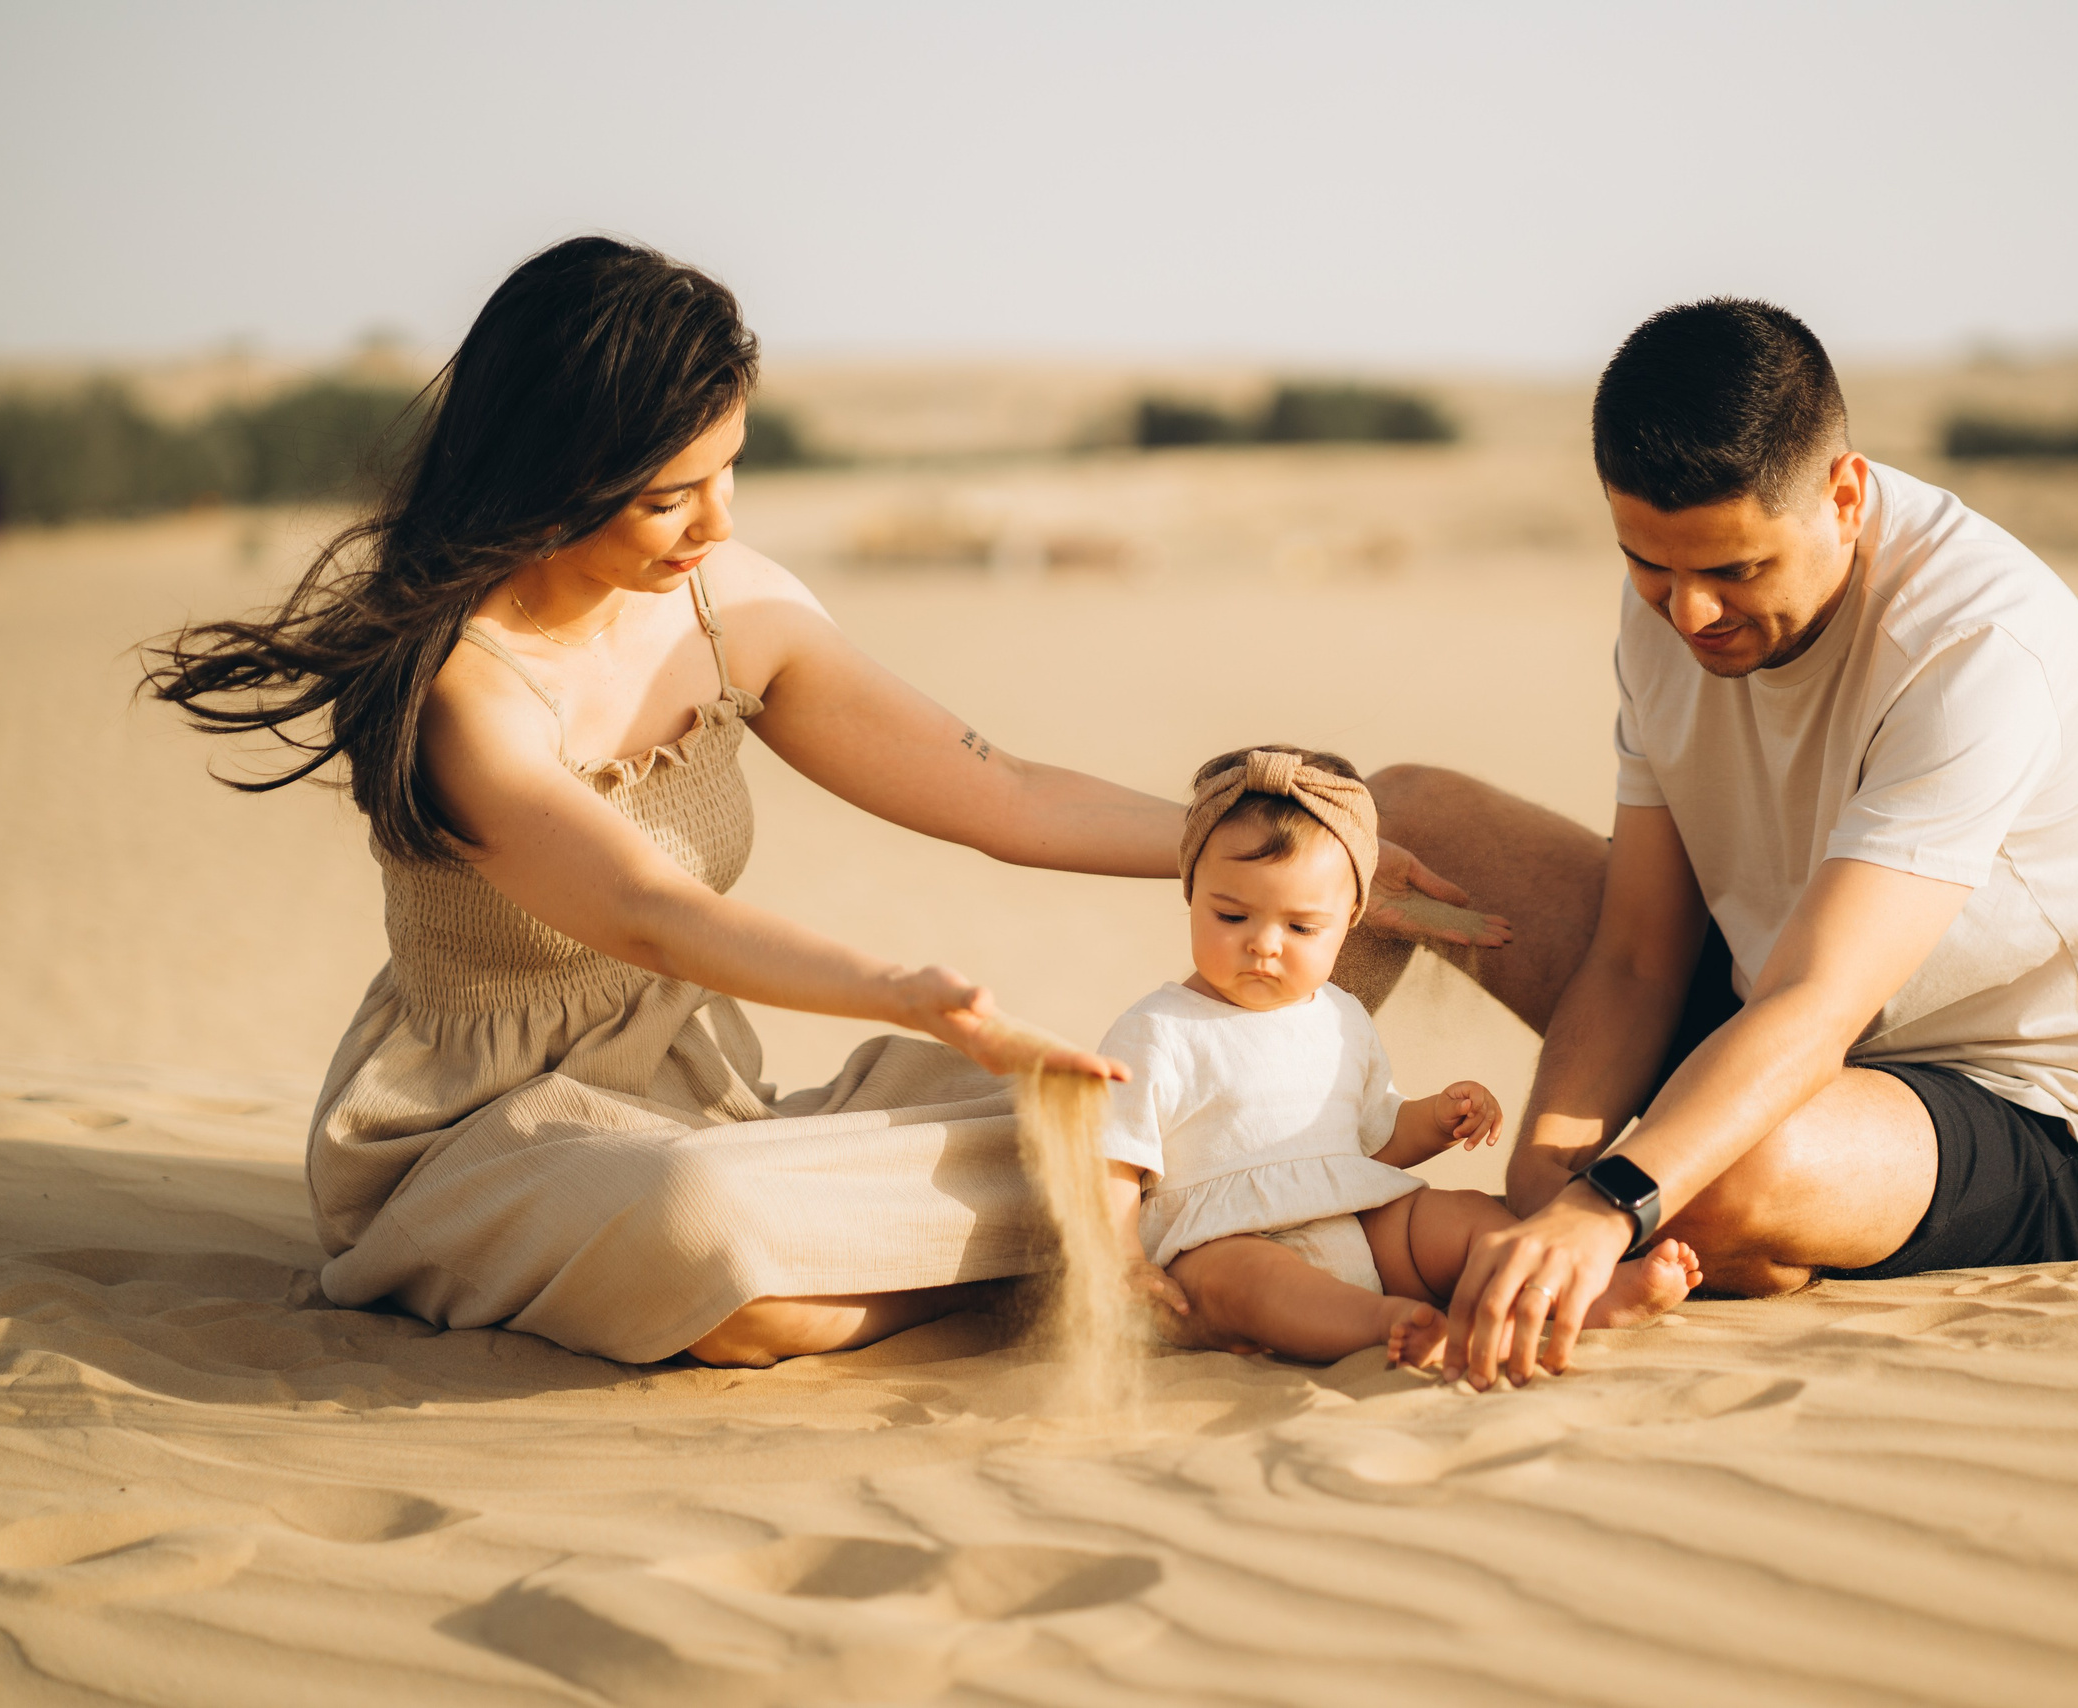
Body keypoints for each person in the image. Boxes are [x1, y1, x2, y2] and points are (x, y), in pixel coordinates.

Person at [143, 237, 1496, 1369]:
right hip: (484, 1134)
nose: (717, 523)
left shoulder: (730, 607)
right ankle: (1063, 1275)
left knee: (1075, 1138)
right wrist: (905, 994)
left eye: (729, 469)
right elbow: (649, 911)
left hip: (709, 1104)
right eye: (671, 495)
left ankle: (1076, 1261)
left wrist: (1271, 845)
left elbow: (1000, 789)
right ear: (551, 476)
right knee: (705, 1229)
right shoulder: (468, 693)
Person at [1330, 298, 2078, 1390]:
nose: (1689, 614)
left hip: (2021, 1111)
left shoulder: (1975, 642)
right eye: (1648, 564)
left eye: (1735, 570)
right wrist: (1544, 1186)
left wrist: (1606, 1202)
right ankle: (1264, 1175)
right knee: (1391, 821)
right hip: (1757, 1010)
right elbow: (1638, 956)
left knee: (1729, 1171)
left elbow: (1817, 1003)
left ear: (1844, 494)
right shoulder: (1672, 600)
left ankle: (1715, 1234)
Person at [1098, 747, 1700, 1366]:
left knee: (1459, 1217)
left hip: (1358, 1220)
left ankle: (1586, 1292)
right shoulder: (1157, 1029)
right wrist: (1125, 1260)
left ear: (1351, 919)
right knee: (1248, 1281)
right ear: (1191, 893)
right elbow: (1114, 1159)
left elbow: (1374, 1141)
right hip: (1221, 1239)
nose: (1264, 944)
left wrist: (1435, 1119)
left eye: (1302, 928)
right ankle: (1385, 1324)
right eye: (1231, 915)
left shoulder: (1340, 1018)